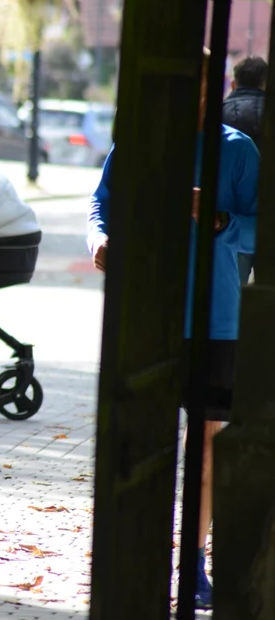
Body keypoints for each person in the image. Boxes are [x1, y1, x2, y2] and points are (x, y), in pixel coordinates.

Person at [87, 49, 259, 610]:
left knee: (207, 443)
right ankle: (139, 557)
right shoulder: (138, 143)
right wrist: (100, 241)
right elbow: (101, 204)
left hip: (216, 320)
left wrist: (219, 219)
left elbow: (261, 227)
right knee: (144, 441)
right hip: (146, 316)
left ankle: (194, 565)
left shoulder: (238, 151)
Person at [221, 55, 266, 285]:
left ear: (233, 83)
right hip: (266, 217)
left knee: (231, 296)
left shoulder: (216, 116)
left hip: (229, 221)